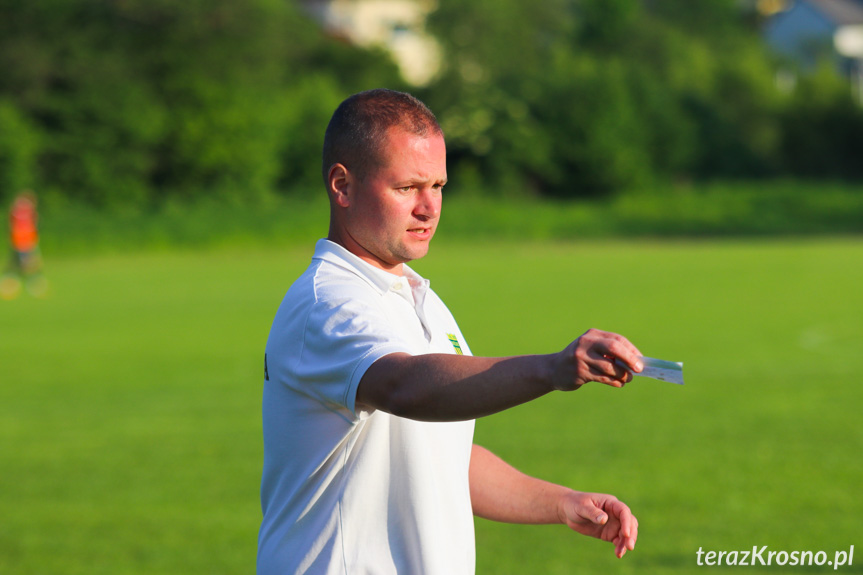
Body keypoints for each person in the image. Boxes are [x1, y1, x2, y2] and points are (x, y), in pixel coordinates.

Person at [258, 89, 644, 574]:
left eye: (438, 185)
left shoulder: (421, 298)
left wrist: (563, 503)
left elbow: (443, 458)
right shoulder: (327, 304)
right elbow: (407, 387)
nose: (429, 207)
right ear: (343, 185)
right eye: (407, 187)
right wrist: (551, 368)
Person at [1, 190, 47, 299]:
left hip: (21, 241)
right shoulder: (26, 210)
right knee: (29, 265)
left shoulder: (16, 210)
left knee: (19, 265)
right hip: (24, 242)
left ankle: (9, 284)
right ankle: (34, 286)